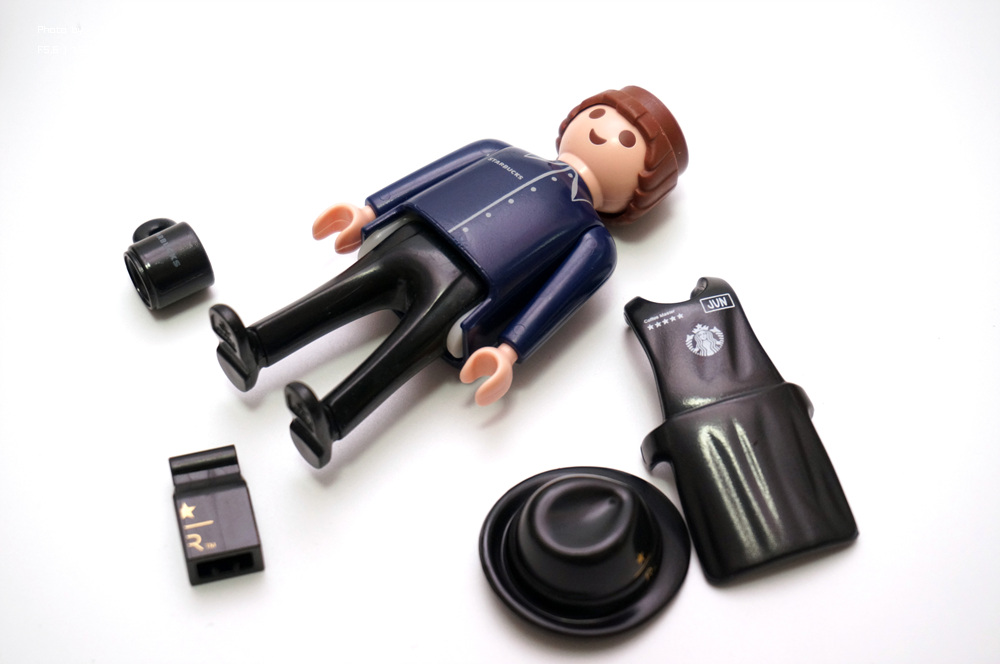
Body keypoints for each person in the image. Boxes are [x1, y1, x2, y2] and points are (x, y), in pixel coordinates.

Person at [210, 85, 688, 468]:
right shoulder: (499, 150)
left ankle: (329, 421)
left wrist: (510, 350)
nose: (603, 135)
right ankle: (256, 343)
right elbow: (432, 174)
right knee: (336, 293)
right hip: (416, 233)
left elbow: (555, 299)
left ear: (641, 193)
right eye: (599, 115)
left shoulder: (593, 239)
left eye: (628, 142)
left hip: (470, 287)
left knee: (402, 355)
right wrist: (370, 210)